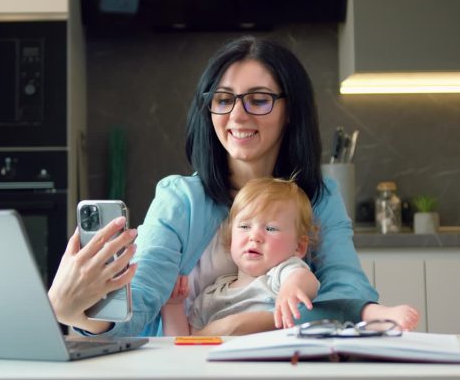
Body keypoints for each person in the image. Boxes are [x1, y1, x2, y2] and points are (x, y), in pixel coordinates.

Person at [48, 36, 420, 337]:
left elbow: (346, 294)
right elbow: (141, 302)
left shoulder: (318, 195)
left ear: (290, 111)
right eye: (223, 100)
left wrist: (235, 326)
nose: (237, 115)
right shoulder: (179, 199)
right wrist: (75, 312)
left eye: (259, 100)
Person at [161, 177, 321, 336]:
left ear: (299, 247)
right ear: (231, 239)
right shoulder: (210, 296)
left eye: (271, 228)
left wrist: (291, 289)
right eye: (245, 226)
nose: (255, 236)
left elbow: (304, 278)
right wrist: (173, 305)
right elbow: (184, 343)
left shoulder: (280, 276)